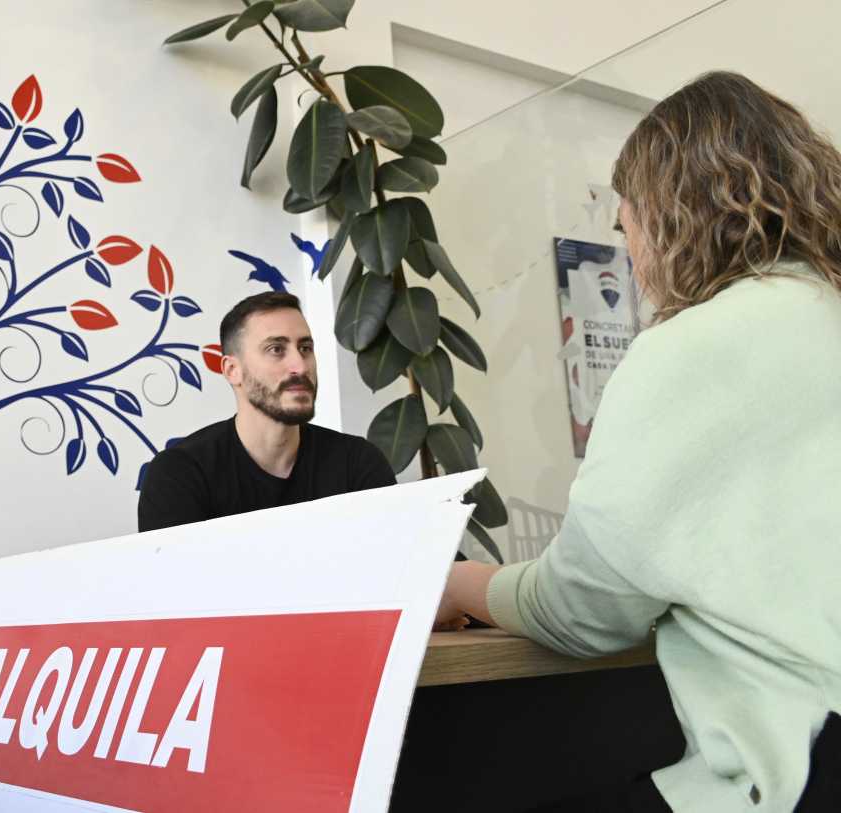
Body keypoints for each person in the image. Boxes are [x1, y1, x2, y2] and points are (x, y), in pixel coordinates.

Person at [436, 72, 841, 812]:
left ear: (669, 216)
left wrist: (458, 583)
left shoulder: (691, 348)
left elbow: (584, 611)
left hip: (794, 769)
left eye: (626, 230)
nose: (634, 262)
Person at [137, 291, 396, 532]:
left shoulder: (358, 463)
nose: (299, 366)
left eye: (305, 348)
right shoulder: (179, 475)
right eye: (276, 350)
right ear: (231, 370)